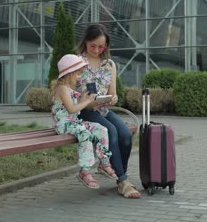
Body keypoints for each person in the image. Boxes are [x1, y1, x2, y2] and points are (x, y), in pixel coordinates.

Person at [76, 23, 141, 199]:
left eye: (101, 46)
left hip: (102, 110)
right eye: (93, 45)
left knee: (125, 135)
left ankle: (120, 174)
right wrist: (86, 102)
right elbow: (67, 92)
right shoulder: (76, 62)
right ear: (85, 42)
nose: (97, 50)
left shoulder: (109, 64)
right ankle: (122, 181)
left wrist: (112, 98)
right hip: (83, 111)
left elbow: (113, 93)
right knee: (111, 131)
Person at [51, 54, 118, 189]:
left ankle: (104, 162)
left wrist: (89, 99)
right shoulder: (62, 88)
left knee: (101, 128)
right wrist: (87, 101)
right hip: (64, 124)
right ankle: (85, 171)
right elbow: (71, 109)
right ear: (69, 73)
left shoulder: (70, 89)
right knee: (85, 133)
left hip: (75, 123)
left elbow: (78, 109)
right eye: (77, 74)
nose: (79, 77)